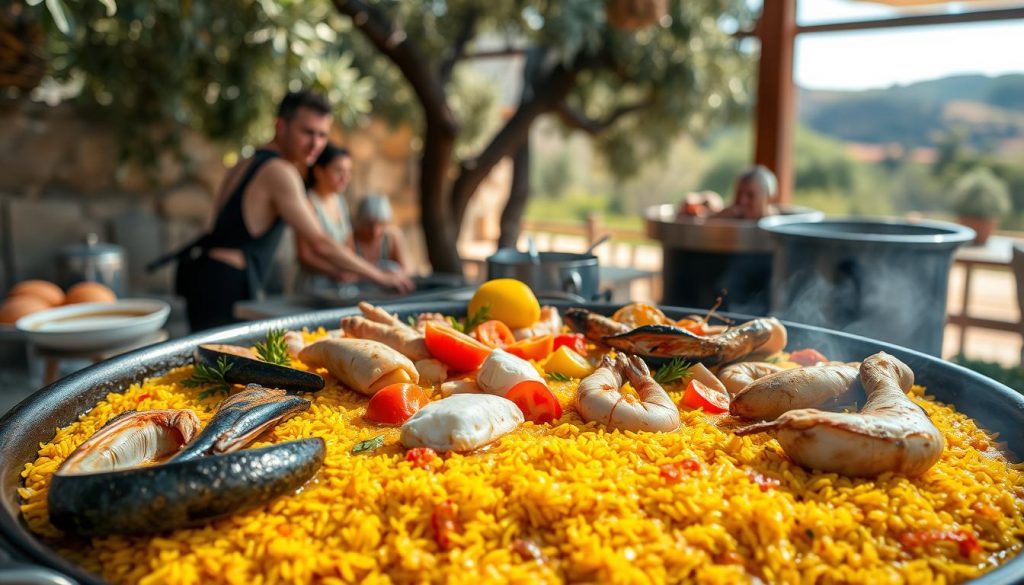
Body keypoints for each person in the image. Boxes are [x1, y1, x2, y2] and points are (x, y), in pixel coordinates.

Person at [169, 90, 412, 331]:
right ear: (281, 126)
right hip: (227, 284)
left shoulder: (246, 160)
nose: (315, 144)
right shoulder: (281, 171)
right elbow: (320, 243)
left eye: (322, 135)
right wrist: (380, 276)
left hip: (206, 278)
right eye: (307, 132)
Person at [293, 143, 356, 295]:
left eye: (348, 172)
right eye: (339, 171)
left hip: (342, 286)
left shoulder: (340, 201)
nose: (345, 178)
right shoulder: (307, 203)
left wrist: (350, 270)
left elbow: (348, 243)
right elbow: (305, 255)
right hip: (314, 288)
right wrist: (336, 272)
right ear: (319, 172)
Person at [350, 195, 411, 277]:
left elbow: (407, 270)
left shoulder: (392, 237)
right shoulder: (352, 239)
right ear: (361, 222)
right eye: (369, 225)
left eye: (381, 224)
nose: (375, 231)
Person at [713, 165, 779, 220]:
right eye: (739, 194)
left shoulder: (776, 224)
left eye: (750, 195)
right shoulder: (728, 219)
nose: (742, 201)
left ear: (768, 198)